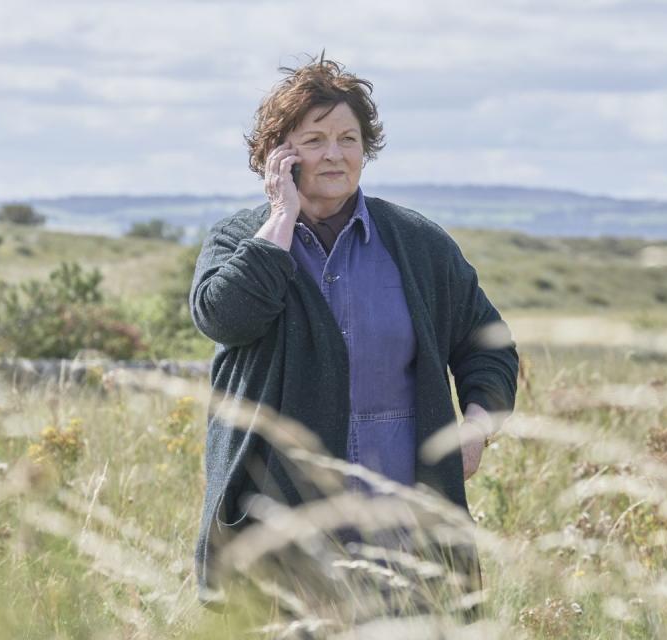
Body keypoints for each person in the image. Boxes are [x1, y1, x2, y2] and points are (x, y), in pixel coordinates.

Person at [189, 54, 519, 620]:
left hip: (407, 520)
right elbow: (224, 318)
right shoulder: (242, 241)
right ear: (278, 155)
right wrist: (279, 220)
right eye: (314, 140)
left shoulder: (419, 245)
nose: (335, 154)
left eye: (348, 137)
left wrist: (477, 429)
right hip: (282, 522)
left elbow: (488, 344)